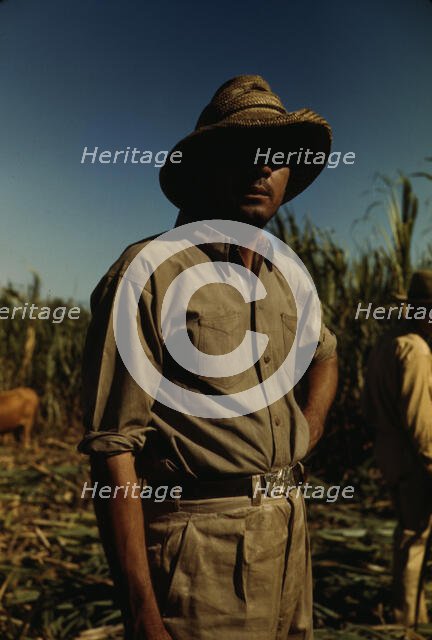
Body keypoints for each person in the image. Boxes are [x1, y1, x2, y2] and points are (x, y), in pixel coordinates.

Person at [78, 75, 338, 640]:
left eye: (279, 156)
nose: (264, 166)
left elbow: (326, 354)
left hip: (290, 533)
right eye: (245, 151)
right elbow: (113, 449)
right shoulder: (149, 272)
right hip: (201, 553)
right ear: (205, 166)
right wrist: (143, 614)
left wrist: (307, 430)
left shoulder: (286, 276)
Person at [363, 270, 432, 627]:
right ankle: (409, 621)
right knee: (415, 538)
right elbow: (423, 428)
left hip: (391, 455)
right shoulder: (416, 351)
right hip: (413, 462)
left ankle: (408, 614)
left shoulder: (387, 341)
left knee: (408, 532)